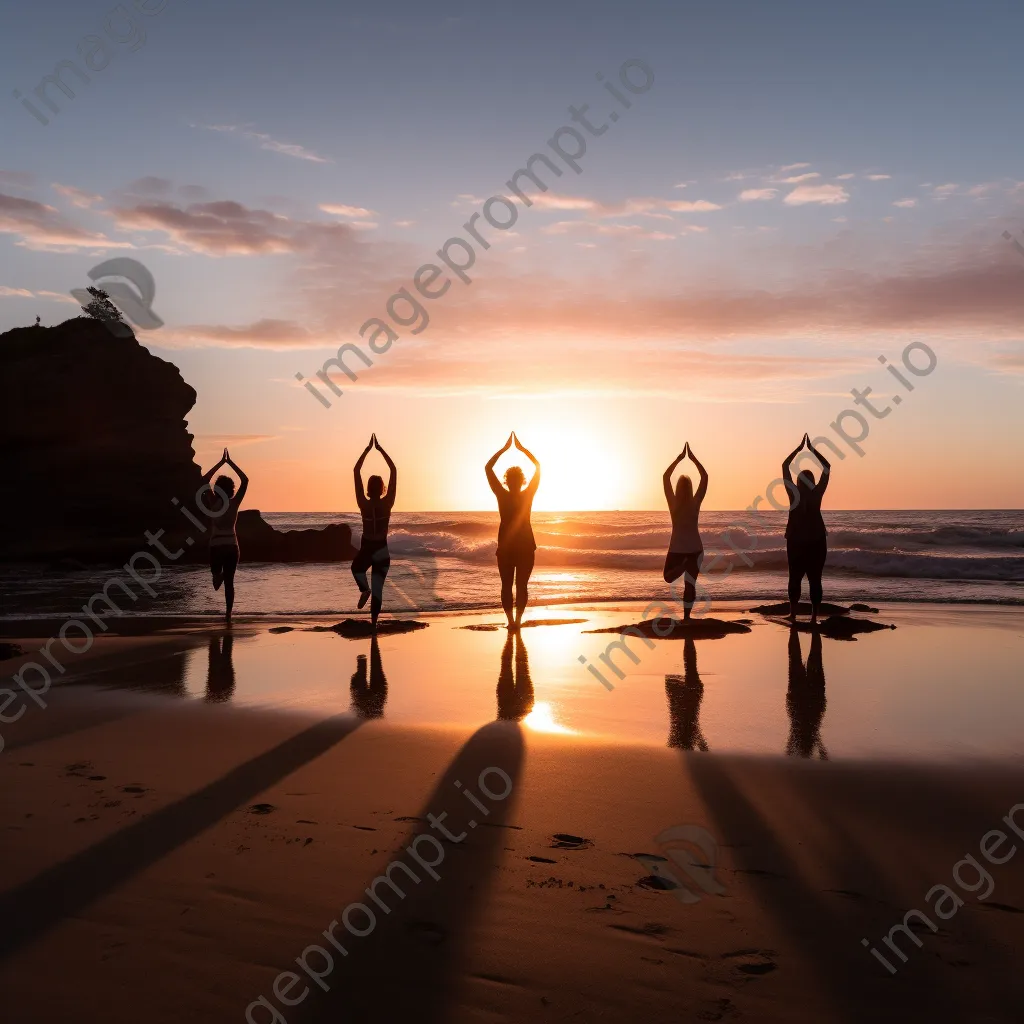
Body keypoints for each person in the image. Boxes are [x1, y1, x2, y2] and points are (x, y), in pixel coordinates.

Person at [485, 432, 540, 630]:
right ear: (521, 480)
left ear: (507, 481)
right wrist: (522, 449)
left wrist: (504, 449)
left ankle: (511, 622)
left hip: (509, 548)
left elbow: (488, 467)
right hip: (523, 546)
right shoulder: (527, 495)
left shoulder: (502, 494)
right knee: (520, 586)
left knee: (508, 585)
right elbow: (538, 467)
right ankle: (515, 621)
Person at [782, 433, 831, 622]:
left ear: (798, 482)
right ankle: (813, 616)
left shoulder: (793, 495)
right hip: (817, 541)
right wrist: (811, 450)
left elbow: (785, 466)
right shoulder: (816, 494)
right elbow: (827, 468)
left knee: (794, 578)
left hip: (796, 542)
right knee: (815, 579)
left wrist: (798, 449)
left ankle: (793, 614)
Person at [353, 434, 397, 628]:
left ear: (369, 489)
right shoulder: (387, 503)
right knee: (375, 588)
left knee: (357, 570)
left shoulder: (362, 503)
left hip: (371, 546)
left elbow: (356, 471)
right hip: (378, 547)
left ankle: (365, 592)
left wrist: (366, 450)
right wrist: (380, 450)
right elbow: (393, 470)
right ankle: (372, 623)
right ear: (382, 488)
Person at [200, 448, 248, 622]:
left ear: (217, 489)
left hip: (216, 546)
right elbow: (245, 480)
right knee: (229, 583)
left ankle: (219, 576)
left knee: (216, 583)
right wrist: (230, 463)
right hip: (232, 547)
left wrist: (221, 463)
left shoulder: (213, 501)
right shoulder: (235, 503)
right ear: (231, 490)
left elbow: (204, 480)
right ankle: (228, 614)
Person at [662, 443, 708, 620]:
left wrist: (679, 459)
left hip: (678, 549)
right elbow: (704, 477)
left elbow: (666, 477)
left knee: (669, 577)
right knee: (690, 585)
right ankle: (686, 617)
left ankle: (687, 618)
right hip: (696, 550)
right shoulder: (695, 503)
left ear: (677, 489)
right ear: (689, 488)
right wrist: (693, 459)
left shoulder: (673, 504)